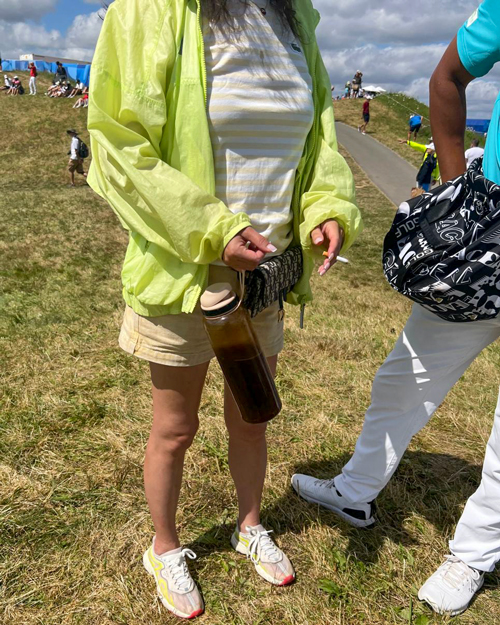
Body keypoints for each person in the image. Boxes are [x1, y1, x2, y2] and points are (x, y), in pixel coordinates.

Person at [87, 0, 362, 619]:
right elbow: (118, 144)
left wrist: (324, 209)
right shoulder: (149, 10)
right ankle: (164, 547)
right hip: (186, 278)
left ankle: (249, 526)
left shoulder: (296, 18)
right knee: (175, 427)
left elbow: (318, 142)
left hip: (263, 280)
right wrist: (213, 230)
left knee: (251, 416)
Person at [293, 0, 500, 617]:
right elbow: (447, 77)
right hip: (487, 231)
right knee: (404, 375)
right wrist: (458, 191)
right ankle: (355, 491)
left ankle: (472, 554)